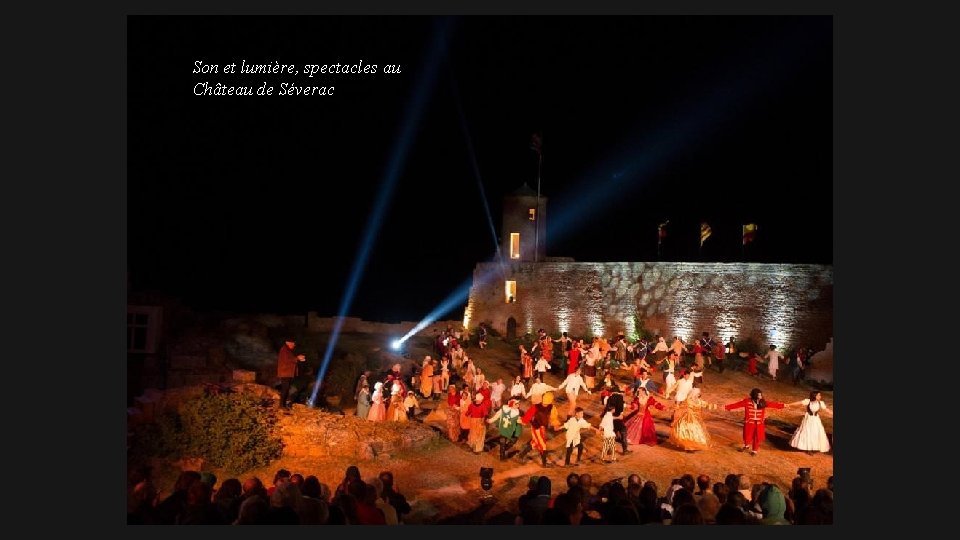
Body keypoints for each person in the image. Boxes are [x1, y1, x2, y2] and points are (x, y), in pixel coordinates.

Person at [724, 388, 786, 455]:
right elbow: (737, 405)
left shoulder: (763, 402)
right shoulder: (747, 401)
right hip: (749, 422)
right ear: (754, 396)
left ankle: (754, 450)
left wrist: (783, 405)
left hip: (759, 423)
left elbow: (773, 404)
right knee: (747, 435)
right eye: (759, 395)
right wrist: (727, 407)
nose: (760, 397)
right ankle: (746, 446)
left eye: (760, 395)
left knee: (757, 437)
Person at [276, 340, 306, 408]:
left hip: (287, 373)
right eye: (293, 344)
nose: (294, 345)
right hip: (285, 373)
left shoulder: (287, 350)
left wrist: (297, 358)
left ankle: (283, 404)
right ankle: (281, 405)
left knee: (286, 388)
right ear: (288, 343)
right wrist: (297, 358)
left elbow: (290, 359)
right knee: (285, 389)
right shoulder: (284, 350)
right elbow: (288, 360)